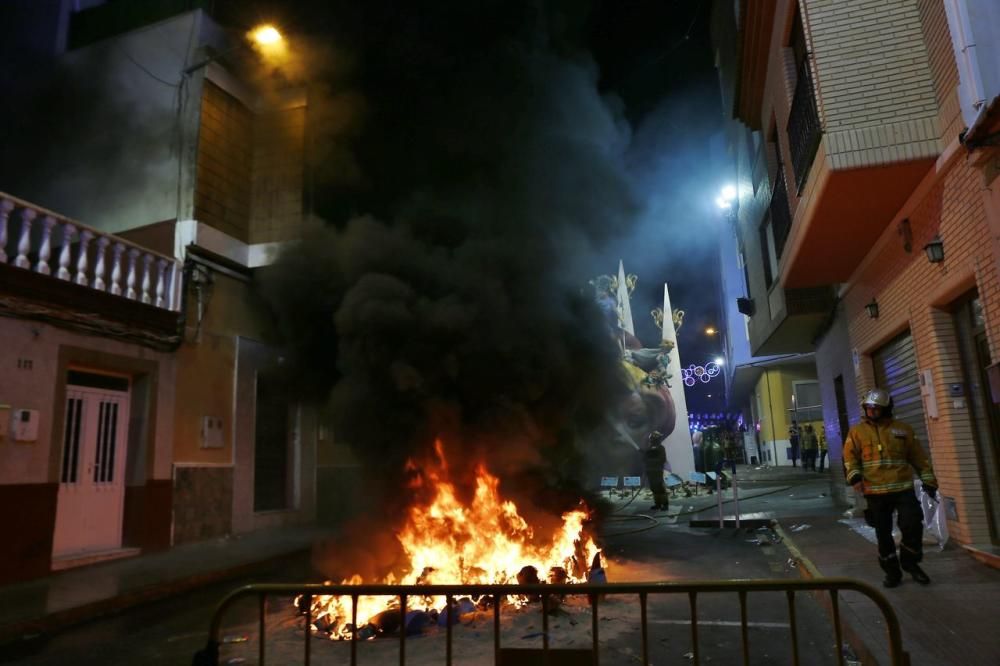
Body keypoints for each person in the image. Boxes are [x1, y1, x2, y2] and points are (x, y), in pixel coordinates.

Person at [844, 388, 938, 588]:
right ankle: (892, 572)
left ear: (886, 409)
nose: (872, 411)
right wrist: (855, 477)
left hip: (902, 488)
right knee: (883, 534)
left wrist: (929, 480)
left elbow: (919, 457)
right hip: (875, 492)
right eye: (868, 408)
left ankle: (911, 563)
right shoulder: (857, 432)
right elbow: (850, 458)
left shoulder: (903, 430)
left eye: (876, 408)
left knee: (913, 525)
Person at [644, 430, 669, 511]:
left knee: (660, 488)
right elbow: (644, 459)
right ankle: (657, 504)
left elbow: (662, 459)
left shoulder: (661, 448)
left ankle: (665, 504)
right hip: (650, 471)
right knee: (653, 488)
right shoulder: (648, 449)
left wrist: (651, 458)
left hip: (657, 471)